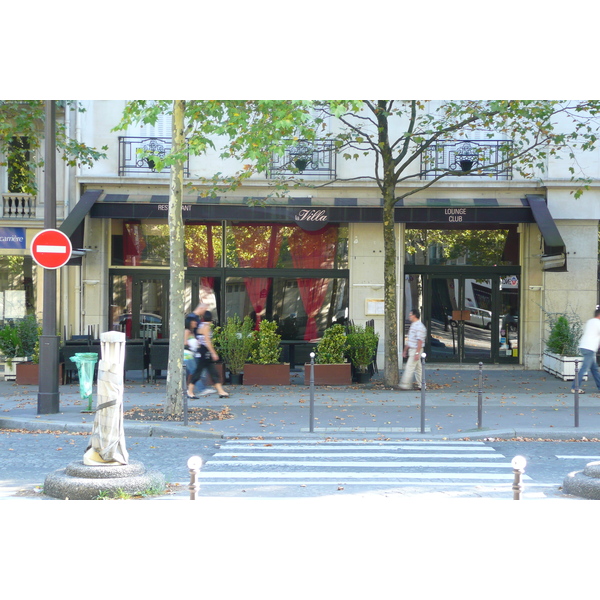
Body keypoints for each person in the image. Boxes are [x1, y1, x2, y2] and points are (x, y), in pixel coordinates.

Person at [188, 310, 229, 399]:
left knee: (212, 372)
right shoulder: (206, 327)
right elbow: (207, 341)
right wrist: (213, 353)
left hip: (202, 351)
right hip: (205, 351)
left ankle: (221, 391)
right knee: (198, 372)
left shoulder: (201, 326)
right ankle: (190, 391)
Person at [571, 307, 600, 394]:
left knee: (594, 369)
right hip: (589, 348)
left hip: (584, 346)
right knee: (584, 368)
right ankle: (575, 387)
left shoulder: (590, 321)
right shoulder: (598, 323)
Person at [184, 314, 214, 397]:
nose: (196, 323)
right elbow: (184, 342)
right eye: (193, 322)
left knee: (187, 373)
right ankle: (202, 389)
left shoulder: (192, 332)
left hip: (191, 354)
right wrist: (191, 344)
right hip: (187, 355)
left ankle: (184, 389)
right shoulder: (187, 331)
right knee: (194, 371)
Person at [400, 308, 427, 390]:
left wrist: (417, 353)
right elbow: (410, 340)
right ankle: (421, 384)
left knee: (409, 367)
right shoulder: (414, 325)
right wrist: (405, 350)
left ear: (414, 316)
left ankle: (405, 384)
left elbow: (420, 341)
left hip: (415, 349)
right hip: (413, 349)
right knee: (418, 368)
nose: (409, 316)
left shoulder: (419, 327)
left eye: (410, 315)